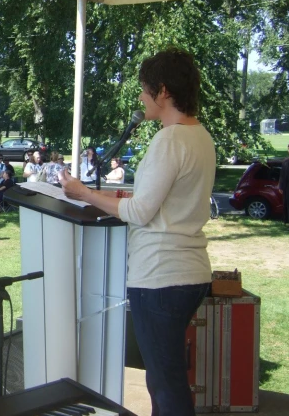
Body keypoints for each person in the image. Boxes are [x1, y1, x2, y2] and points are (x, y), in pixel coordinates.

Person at [59, 48, 214, 416]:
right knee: (167, 378)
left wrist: (83, 193)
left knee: (165, 382)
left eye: (144, 90)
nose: (141, 98)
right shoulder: (201, 137)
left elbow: (141, 211)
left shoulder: (169, 140)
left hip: (161, 276)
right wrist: (112, 196)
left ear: (162, 92)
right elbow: (164, 200)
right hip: (191, 272)